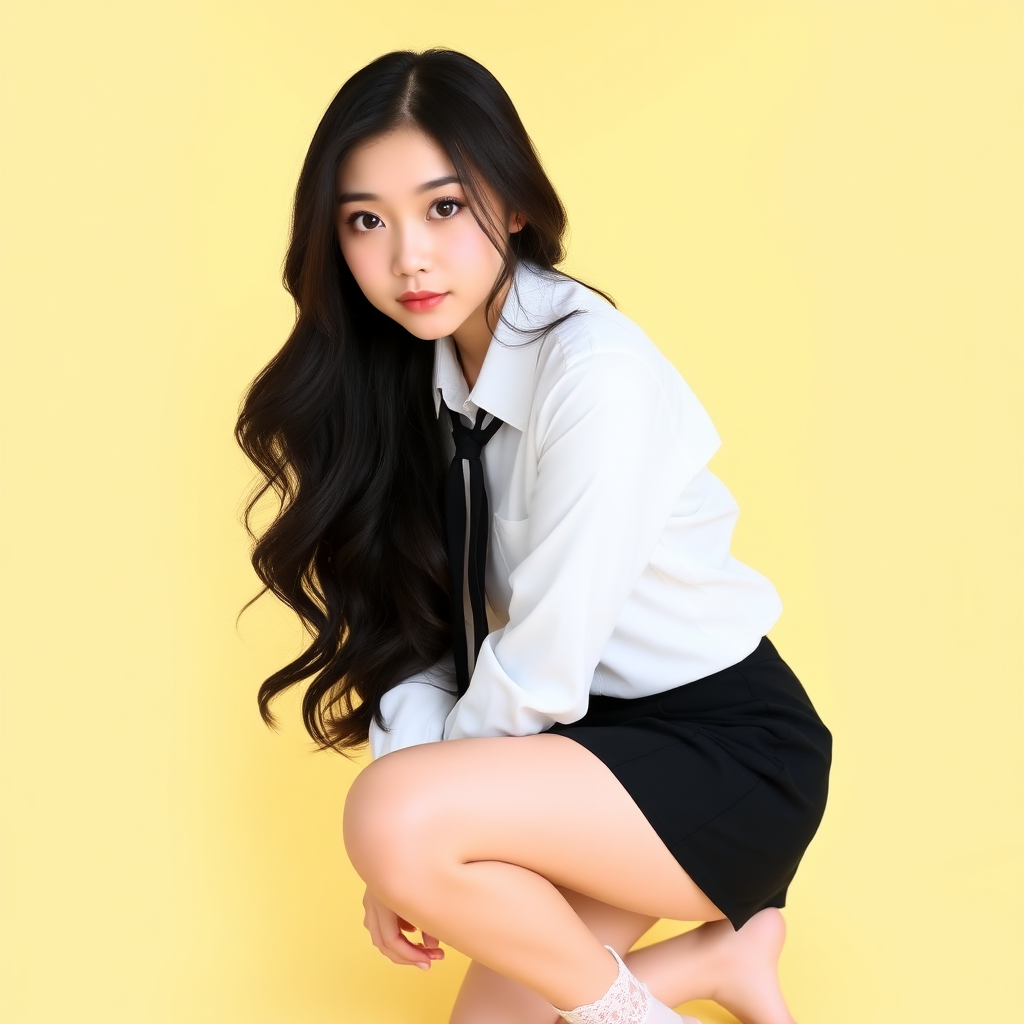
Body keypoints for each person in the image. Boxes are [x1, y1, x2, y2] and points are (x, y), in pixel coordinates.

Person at [235, 48, 832, 1024]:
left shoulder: (592, 376)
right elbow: (418, 636)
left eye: (442, 207)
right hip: (581, 754)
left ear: (511, 203)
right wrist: (413, 835)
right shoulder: (412, 383)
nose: (407, 258)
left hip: (724, 753)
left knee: (392, 815)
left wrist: (413, 829)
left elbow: (544, 660)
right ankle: (723, 963)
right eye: (364, 221)